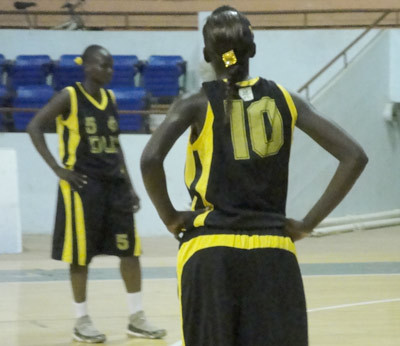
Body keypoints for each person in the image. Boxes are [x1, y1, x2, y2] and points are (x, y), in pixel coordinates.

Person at [140, 6, 368, 346]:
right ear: (253, 50)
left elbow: (150, 159)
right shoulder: (288, 100)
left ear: (207, 54)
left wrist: (171, 217)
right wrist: (306, 224)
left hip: (210, 254)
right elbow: (354, 156)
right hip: (272, 253)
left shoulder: (195, 103)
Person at [27, 45, 166, 343]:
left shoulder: (111, 98)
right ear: (88, 66)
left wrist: (129, 184)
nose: (109, 71)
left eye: (112, 66)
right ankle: (82, 320)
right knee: (80, 256)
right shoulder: (69, 96)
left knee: (130, 252)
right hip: (82, 187)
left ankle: (137, 317)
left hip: (114, 186)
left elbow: (115, 145)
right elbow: (34, 126)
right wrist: (58, 169)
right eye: (104, 65)